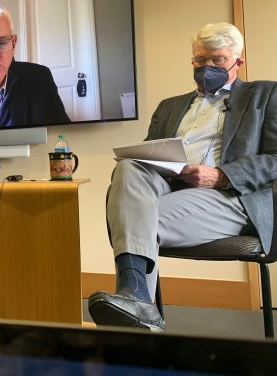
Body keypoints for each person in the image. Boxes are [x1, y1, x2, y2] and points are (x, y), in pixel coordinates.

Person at [87, 23, 277, 331]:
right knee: (129, 168)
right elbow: (147, 159)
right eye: (200, 61)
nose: (207, 67)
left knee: (134, 218)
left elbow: (275, 158)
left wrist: (221, 176)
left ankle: (137, 305)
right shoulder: (170, 106)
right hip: (171, 190)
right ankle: (138, 303)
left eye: (217, 60)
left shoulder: (266, 95)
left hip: (231, 199)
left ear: (237, 62)